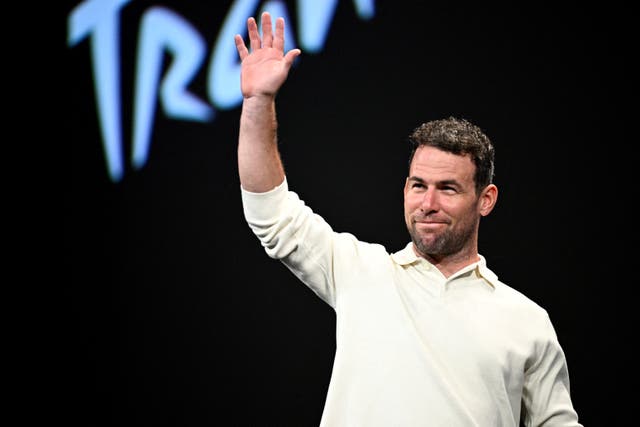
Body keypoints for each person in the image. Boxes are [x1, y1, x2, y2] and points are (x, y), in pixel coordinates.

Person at [234, 11, 582, 427]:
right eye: (418, 186)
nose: (428, 203)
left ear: (485, 199)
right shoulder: (359, 271)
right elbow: (270, 214)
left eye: (447, 189)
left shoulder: (526, 321)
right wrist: (258, 103)